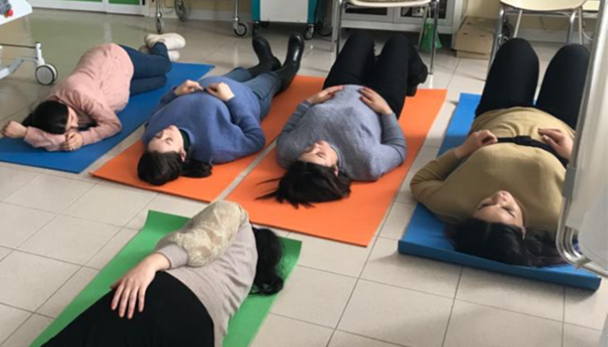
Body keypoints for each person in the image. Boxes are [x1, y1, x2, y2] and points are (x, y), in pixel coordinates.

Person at [411, 38, 590, 267]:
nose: (500, 197)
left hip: (497, 114)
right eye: (508, 209)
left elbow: (420, 182)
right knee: (575, 54)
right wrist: (573, 156)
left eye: (484, 205)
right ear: (523, 230)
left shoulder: (453, 205)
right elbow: (599, 199)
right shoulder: (558, 221)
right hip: (562, 124)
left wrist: (463, 150)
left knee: (517, 47)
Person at [43, 201, 285, 347]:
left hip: (171, 297)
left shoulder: (238, 216)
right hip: (204, 337)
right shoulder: (244, 275)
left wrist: (150, 263)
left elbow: (206, 240)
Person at [267, 32, 428, 207]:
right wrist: (386, 111)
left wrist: (309, 102)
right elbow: (398, 149)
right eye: (320, 154)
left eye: (308, 150)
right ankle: (416, 76)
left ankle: (373, 65)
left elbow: (288, 129)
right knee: (398, 42)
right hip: (381, 98)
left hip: (339, 87)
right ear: (335, 170)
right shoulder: (367, 163)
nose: (316, 145)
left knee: (360, 38)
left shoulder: (288, 152)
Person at [138, 34, 304, 186]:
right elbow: (255, 139)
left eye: (158, 136)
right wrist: (231, 99)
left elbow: (157, 113)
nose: (164, 132)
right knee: (268, 78)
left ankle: (267, 63)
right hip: (248, 97)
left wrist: (175, 93)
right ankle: (291, 65)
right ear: (182, 154)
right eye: (168, 140)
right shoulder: (214, 147)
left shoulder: (150, 137)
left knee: (242, 72)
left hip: (214, 84)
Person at [1, 39, 179, 151]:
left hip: (116, 58)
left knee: (165, 66)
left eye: (72, 118)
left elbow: (113, 125)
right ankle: (146, 57)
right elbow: (56, 141)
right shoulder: (50, 112)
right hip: (117, 85)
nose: (77, 124)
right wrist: (25, 133)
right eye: (71, 127)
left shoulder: (78, 93)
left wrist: (83, 138)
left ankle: (158, 43)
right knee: (160, 81)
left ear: (64, 105)